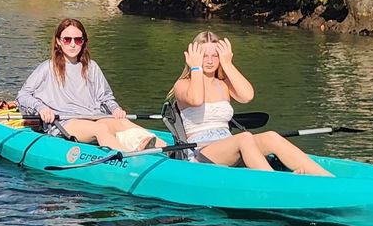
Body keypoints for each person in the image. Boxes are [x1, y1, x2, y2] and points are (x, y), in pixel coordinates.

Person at [169, 31, 333, 176]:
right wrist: (195, 68)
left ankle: (326, 178)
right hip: (200, 151)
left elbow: (247, 96)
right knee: (245, 138)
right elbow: (196, 99)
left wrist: (227, 64)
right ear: (195, 57)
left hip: (229, 144)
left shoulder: (224, 84)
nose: (210, 61)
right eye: (204, 56)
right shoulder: (183, 84)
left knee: (271, 137)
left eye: (215, 55)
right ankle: (276, 182)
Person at [17, 18, 165, 152]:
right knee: (100, 129)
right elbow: (23, 95)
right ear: (58, 41)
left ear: (83, 42)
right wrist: (41, 108)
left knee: (124, 123)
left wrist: (116, 109)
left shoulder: (91, 67)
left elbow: (106, 97)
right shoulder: (47, 67)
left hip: (95, 116)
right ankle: (132, 159)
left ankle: (173, 152)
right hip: (65, 122)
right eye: (67, 40)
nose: (73, 44)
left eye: (78, 40)